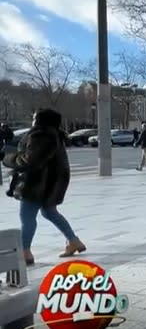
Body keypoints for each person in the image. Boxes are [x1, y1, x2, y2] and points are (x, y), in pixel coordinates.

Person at [2, 109, 86, 265]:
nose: (33, 120)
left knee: (27, 217)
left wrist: (8, 158)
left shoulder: (41, 135)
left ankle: (25, 251)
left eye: (35, 118)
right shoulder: (54, 134)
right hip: (51, 182)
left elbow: (30, 160)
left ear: (40, 121)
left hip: (37, 183)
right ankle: (73, 241)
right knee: (49, 212)